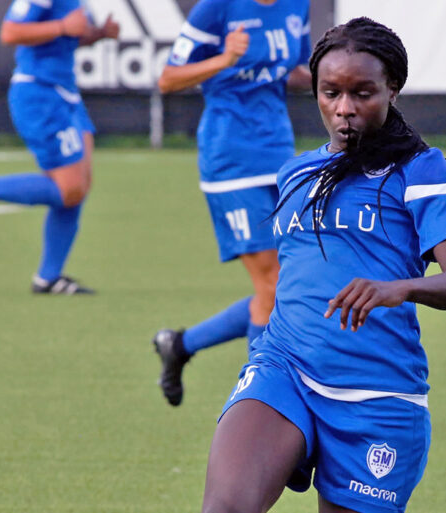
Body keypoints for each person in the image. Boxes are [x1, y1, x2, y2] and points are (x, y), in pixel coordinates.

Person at [199, 17, 446, 513]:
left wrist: (401, 287)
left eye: (363, 93)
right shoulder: (295, 173)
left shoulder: (420, 170)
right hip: (283, 368)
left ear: (392, 90)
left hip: (377, 394)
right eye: (331, 92)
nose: (344, 109)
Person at [152, 0, 313, 406]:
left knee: (292, 283)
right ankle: (265, 400)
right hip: (232, 160)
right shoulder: (216, 9)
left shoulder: (298, 6)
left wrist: (334, 77)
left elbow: (295, 70)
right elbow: (168, 79)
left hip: (279, 155)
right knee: (273, 284)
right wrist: (224, 58)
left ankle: (181, 344)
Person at [0, 0, 119, 295]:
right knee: (69, 189)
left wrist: (98, 35)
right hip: (39, 94)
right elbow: (11, 32)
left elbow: (66, 38)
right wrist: (62, 26)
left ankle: (48, 278)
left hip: (66, 94)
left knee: (79, 186)